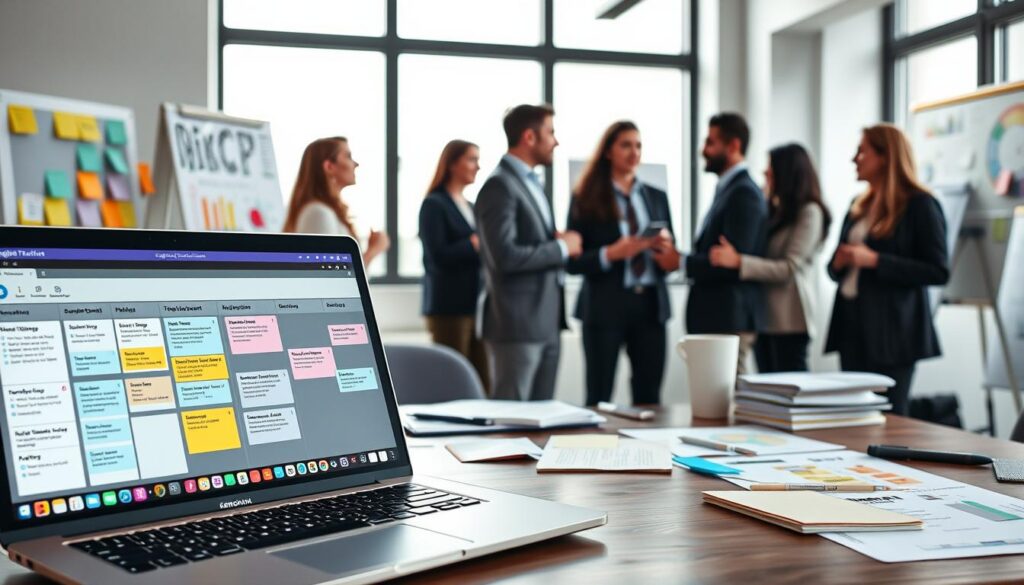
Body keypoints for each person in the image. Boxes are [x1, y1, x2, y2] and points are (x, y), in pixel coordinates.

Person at [824, 124, 948, 416]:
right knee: (852, 415)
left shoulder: (920, 205)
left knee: (890, 418)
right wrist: (839, 263)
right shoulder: (858, 205)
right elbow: (834, 269)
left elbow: (937, 271)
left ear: (885, 157)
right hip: (852, 323)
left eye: (862, 152)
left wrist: (876, 261)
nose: (855, 159)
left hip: (894, 332)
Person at [474, 104, 583, 401]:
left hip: (547, 322)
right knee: (511, 417)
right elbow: (505, 256)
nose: (556, 141)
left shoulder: (530, 182)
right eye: (551, 132)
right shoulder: (499, 185)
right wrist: (561, 247)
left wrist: (556, 241)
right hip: (516, 326)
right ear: (529, 137)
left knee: (543, 417)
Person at [567, 121, 677, 406]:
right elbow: (573, 262)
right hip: (605, 306)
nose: (634, 152)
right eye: (626, 145)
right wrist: (611, 253)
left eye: (638, 145)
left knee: (649, 397)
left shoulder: (656, 196)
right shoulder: (585, 198)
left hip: (650, 307)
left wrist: (666, 251)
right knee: (599, 396)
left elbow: (672, 256)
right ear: (608, 151)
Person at [709, 143, 831, 372]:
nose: (765, 172)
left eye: (771, 168)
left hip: (789, 319)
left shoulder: (809, 212)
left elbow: (789, 268)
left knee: (791, 386)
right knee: (766, 388)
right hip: (764, 318)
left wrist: (739, 262)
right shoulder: (775, 211)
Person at [685, 113, 767, 374]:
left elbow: (731, 263)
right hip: (718, 318)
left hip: (729, 318)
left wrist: (681, 262)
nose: (704, 150)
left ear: (733, 146)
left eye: (711, 142)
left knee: (731, 394)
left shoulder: (744, 193)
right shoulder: (728, 189)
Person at [418, 139, 490, 393]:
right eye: (471, 159)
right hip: (449, 308)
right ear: (452, 164)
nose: (477, 166)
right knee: (452, 381)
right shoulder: (434, 204)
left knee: (482, 382)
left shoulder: (470, 206)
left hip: (476, 305)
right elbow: (435, 257)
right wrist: (471, 244)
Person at [283, 136, 390, 268]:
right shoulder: (318, 213)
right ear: (329, 166)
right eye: (348, 156)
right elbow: (327, 275)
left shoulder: (323, 212)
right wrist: (372, 251)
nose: (356, 164)